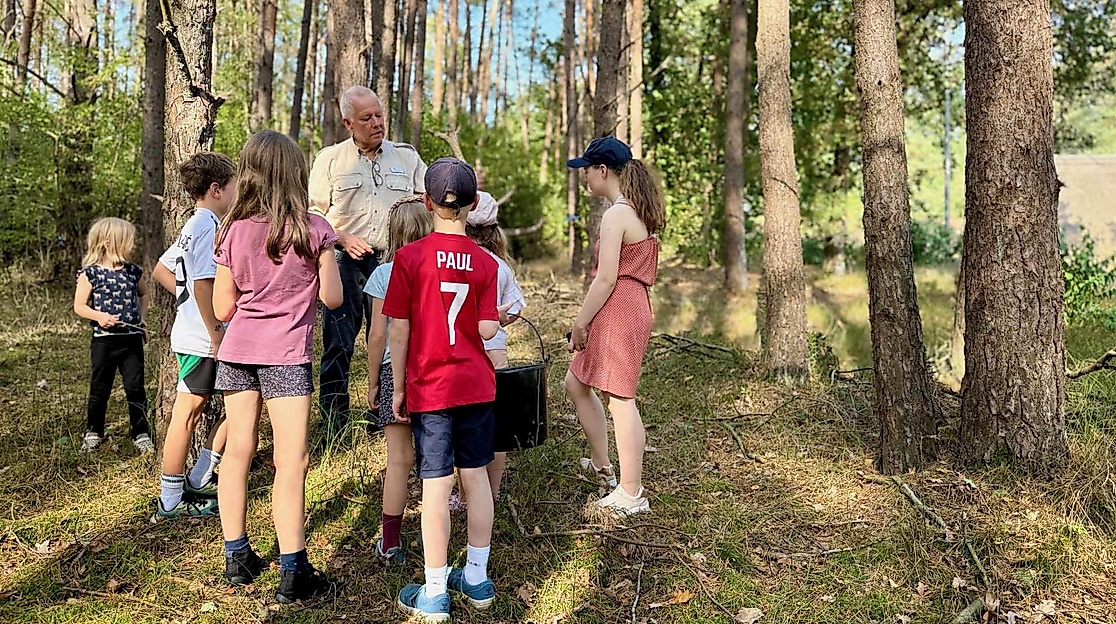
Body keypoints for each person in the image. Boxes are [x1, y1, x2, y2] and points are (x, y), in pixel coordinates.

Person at [211, 130, 343, 603]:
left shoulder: (231, 229)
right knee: (292, 461)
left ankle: (237, 556)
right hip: (286, 354)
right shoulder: (313, 229)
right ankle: (294, 570)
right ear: (297, 174)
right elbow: (333, 297)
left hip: (238, 352)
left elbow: (223, 307)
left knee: (237, 452)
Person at [383, 158, 503, 621]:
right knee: (475, 477)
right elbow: (489, 327)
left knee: (435, 487)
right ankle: (476, 576)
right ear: (473, 205)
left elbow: (398, 330)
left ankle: (434, 590)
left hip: (430, 388)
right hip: (475, 384)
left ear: (428, 202)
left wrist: (398, 386)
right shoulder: (484, 261)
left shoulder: (409, 258)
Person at [309, 85, 428, 438]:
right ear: (348, 123)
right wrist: (341, 237)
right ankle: (335, 423)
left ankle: (392, 414)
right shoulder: (330, 160)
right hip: (345, 262)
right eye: (367, 118)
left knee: (396, 339)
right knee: (338, 341)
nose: (377, 123)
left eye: (379, 115)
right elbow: (313, 215)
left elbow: (427, 200)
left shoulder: (406, 157)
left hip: (396, 264)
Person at [564, 136, 666, 517]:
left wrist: (580, 323)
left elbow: (605, 278)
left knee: (620, 400)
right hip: (630, 303)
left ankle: (631, 492)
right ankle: (602, 463)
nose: (585, 178)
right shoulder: (636, 209)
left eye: (587, 170)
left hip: (619, 305)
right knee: (576, 383)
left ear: (603, 170)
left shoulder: (616, 214)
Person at [151, 152, 237, 521]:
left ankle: (201, 475)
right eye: (233, 186)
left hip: (196, 332)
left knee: (240, 403)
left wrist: (184, 299)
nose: (238, 192)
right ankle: (171, 499)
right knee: (187, 415)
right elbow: (203, 283)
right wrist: (215, 331)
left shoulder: (195, 224)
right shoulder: (206, 227)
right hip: (202, 340)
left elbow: (161, 269)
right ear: (217, 189)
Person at [363, 195, 433, 564]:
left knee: (399, 459)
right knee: (436, 459)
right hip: (434, 369)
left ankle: (390, 541)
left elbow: (378, 335)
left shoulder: (383, 274)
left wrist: (374, 380)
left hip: (395, 370)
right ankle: (434, 535)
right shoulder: (439, 269)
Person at [453, 191, 526, 508]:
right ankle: (491, 494)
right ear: (495, 231)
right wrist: (501, 318)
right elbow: (517, 308)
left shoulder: (453, 261)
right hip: (495, 353)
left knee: (460, 423)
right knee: (497, 426)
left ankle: (463, 492)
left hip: (458, 354)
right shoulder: (500, 267)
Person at [73, 218, 153, 455]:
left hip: (131, 341)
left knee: (135, 387)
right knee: (100, 387)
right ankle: (93, 431)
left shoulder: (132, 271)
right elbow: (79, 306)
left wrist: (141, 318)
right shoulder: (91, 274)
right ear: (110, 242)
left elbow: (145, 294)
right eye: (128, 241)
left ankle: (140, 432)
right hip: (104, 341)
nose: (132, 245)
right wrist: (99, 316)